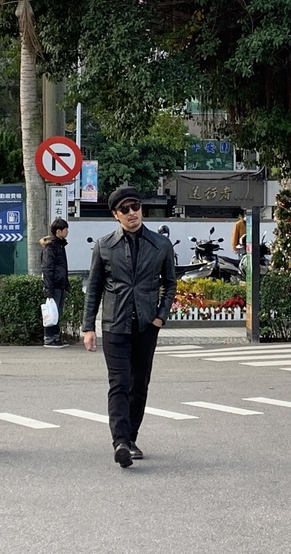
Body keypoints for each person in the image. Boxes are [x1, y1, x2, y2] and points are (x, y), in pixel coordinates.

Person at [83, 187, 176, 468]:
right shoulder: (104, 246)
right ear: (116, 215)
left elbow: (170, 283)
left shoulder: (160, 244)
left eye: (135, 206)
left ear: (141, 209)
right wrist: (89, 327)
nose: (131, 212)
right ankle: (120, 442)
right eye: (124, 209)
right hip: (114, 324)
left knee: (139, 384)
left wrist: (160, 316)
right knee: (119, 383)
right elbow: (94, 288)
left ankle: (132, 437)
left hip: (147, 325)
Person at [40, 218, 70, 348]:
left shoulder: (59, 245)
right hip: (54, 284)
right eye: (65, 229)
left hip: (60, 284)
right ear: (59, 231)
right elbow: (47, 268)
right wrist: (48, 289)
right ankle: (49, 338)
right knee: (53, 311)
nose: (67, 232)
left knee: (57, 312)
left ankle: (55, 338)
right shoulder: (51, 247)